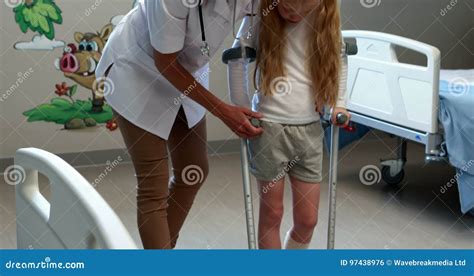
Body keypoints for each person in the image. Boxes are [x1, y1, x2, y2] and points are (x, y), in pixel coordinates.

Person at [95, 0, 262, 249]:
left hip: (187, 71)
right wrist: (223, 111)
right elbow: (165, 62)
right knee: (153, 186)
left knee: (193, 171)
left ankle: (161, 253)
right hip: (137, 68)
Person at [228, 0, 351, 249]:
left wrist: (339, 103)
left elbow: (339, 58)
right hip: (269, 128)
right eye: (285, 7)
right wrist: (241, 106)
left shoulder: (324, 15)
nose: (293, 14)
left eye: (301, 9)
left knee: (308, 220)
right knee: (272, 213)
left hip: (309, 128)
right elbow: (236, 58)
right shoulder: (260, 14)